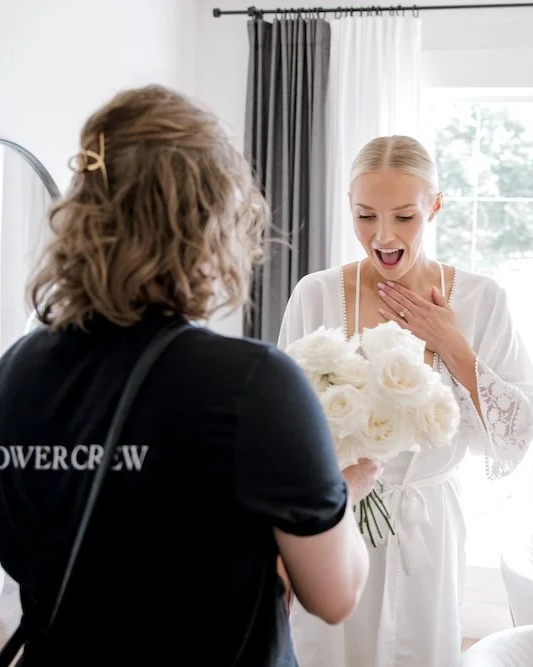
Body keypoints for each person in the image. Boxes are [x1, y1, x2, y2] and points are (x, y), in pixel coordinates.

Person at [0, 85, 375, 666]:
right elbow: (335, 595)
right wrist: (341, 495)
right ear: (211, 223)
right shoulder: (253, 383)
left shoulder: (15, 371)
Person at [278, 135, 533, 667]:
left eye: (404, 217)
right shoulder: (315, 294)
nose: (384, 236)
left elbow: (519, 429)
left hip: (429, 523)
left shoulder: (483, 298)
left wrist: (452, 344)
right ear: (349, 206)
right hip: (338, 517)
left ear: (434, 207)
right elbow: (283, 425)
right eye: (365, 216)